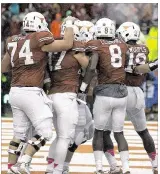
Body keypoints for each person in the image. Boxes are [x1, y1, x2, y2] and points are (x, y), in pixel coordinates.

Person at [1, 12, 76, 174]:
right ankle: (24, 162)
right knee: (45, 133)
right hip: (31, 92)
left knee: (19, 134)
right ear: (40, 25)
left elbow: (3, 68)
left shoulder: (13, 41)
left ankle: (10, 168)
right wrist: (69, 23)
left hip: (15, 92)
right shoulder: (39, 38)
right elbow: (67, 44)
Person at [105, 22, 158, 174]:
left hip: (121, 91)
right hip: (138, 92)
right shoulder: (144, 49)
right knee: (143, 131)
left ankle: (122, 167)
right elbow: (141, 68)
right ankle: (155, 165)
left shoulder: (120, 48)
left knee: (111, 132)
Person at [79, 18, 129, 174]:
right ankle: (126, 168)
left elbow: (92, 67)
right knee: (119, 132)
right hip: (122, 93)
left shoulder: (97, 45)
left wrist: (83, 88)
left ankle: (99, 167)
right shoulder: (122, 45)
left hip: (105, 93)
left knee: (99, 131)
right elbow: (125, 65)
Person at [44, 21, 90, 174]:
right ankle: (57, 170)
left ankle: (50, 168)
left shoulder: (53, 45)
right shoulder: (75, 45)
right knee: (65, 137)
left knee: (59, 137)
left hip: (52, 94)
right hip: (67, 95)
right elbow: (87, 66)